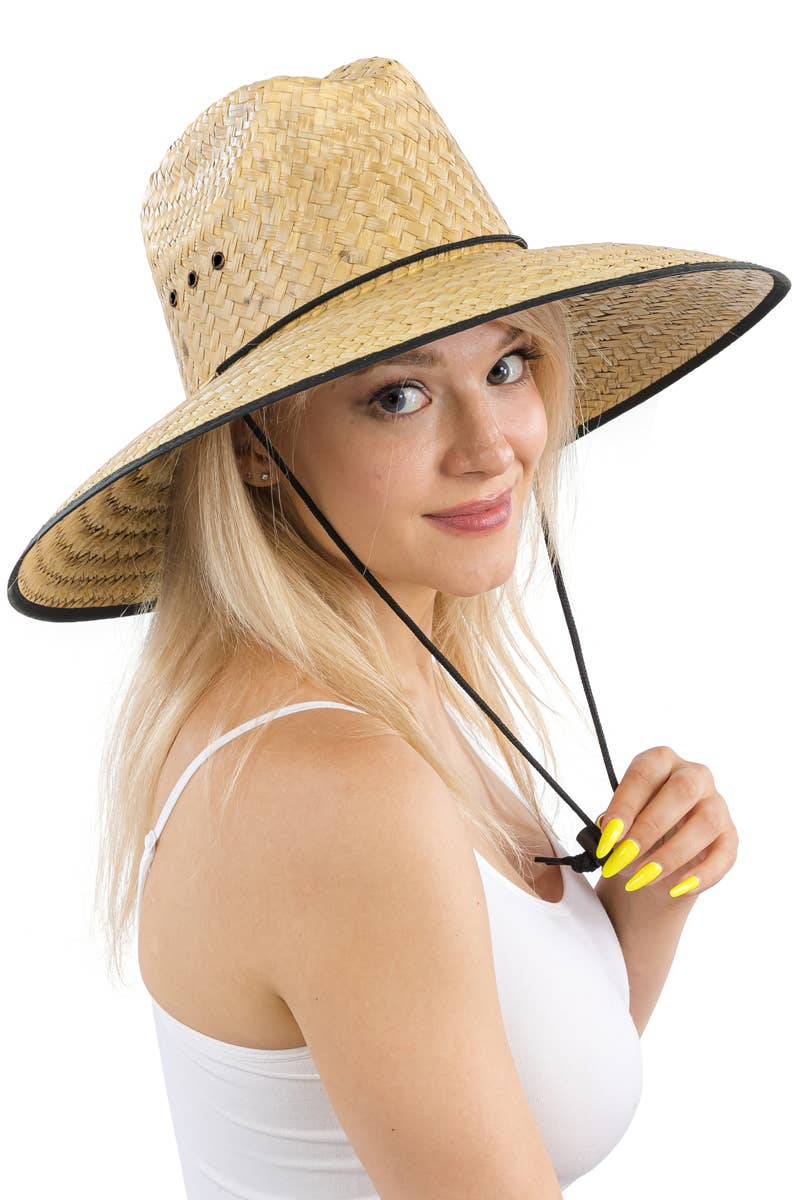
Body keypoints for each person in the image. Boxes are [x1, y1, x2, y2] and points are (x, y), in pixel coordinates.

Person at [5, 57, 790, 1199]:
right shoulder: (335, 784)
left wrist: (643, 904)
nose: (493, 445)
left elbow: (511, 1095)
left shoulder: (390, 686)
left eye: (507, 364)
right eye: (398, 395)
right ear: (255, 450)